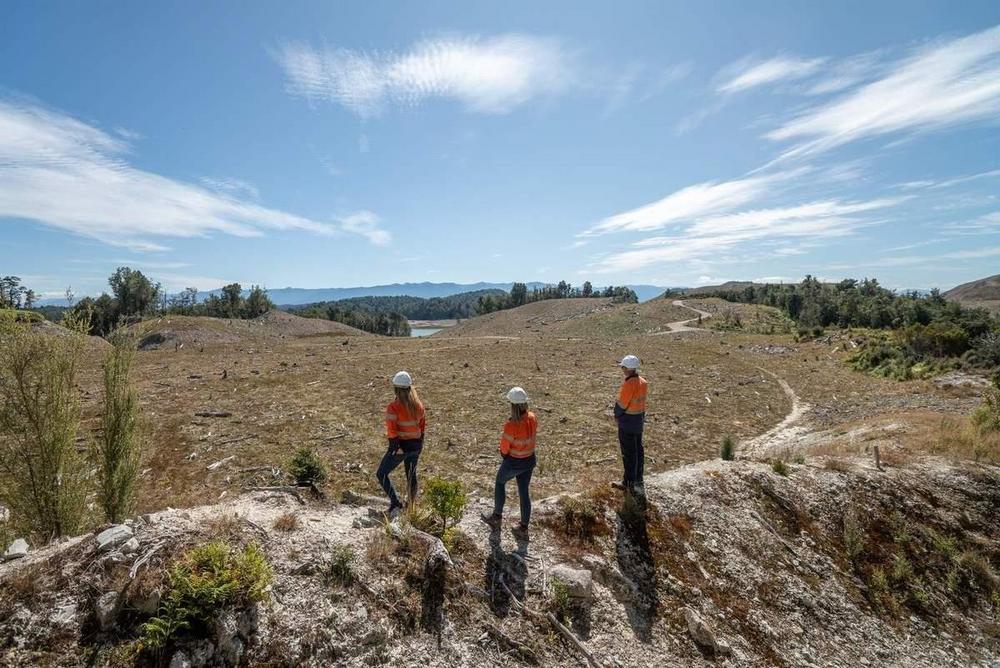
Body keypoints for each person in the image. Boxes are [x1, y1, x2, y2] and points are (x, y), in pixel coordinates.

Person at [480, 387, 537, 540]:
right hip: (529, 460)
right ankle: (523, 528)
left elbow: (504, 448)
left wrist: (505, 456)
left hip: (514, 461)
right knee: (524, 491)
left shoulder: (511, 425)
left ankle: (496, 517)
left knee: (500, 482)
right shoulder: (532, 418)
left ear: (513, 405)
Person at [376, 370, 426, 514]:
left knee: (381, 474)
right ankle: (411, 507)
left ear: (395, 389)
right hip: (416, 446)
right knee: (411, 476)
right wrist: (420, 445)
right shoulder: (419, 406)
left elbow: (392, 431)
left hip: (401, 447)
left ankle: (395, 503)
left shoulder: (393, 408)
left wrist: (394, 448)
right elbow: (422, 427)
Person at [613, 354, 647, 492]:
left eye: (623, 367)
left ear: (626, 368)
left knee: (629, 454)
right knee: (638, 451)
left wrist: (616, 415)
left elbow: (622, 405)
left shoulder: (628, 384)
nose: (622, 369)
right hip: (639, 421)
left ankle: (628, 483)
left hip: (627, 423)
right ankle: (638, 479)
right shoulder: (643, 382)